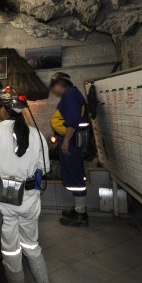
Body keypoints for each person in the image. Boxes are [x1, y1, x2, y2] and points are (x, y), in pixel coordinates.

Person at [0, 87, 54, 283]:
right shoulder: (36, 134)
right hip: (30, 199)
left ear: (2, 110)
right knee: (32, 245)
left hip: (5, 200)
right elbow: (45, 169)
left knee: (11, 251)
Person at [49, 72, 90, 227]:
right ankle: (78, 209)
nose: (54, 90)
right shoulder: (72, 94)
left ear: (60, 85)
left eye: (54, 87)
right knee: (73, 177)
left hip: (72, 143)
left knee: (76, 177)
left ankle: (81, 215)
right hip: (70, 142)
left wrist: (65, 141)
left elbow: (72, 121)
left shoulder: (70, 95)